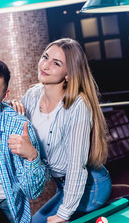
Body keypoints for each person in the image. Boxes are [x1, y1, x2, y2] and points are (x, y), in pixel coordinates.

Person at [17, 38, 111, 222]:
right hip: (63, 186)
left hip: (91, 186)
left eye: (56, 63)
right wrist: (11, 106)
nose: (45, 65)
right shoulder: (32, 95)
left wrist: (63, 213)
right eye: (45, 57)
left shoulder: (78, 106)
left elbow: (77, 166)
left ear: (68, 74)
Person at [0, 56, 47, 223]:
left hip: (6, 202)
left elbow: (33, 192)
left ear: (4, 95)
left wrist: (31, 157)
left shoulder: (18, 127)